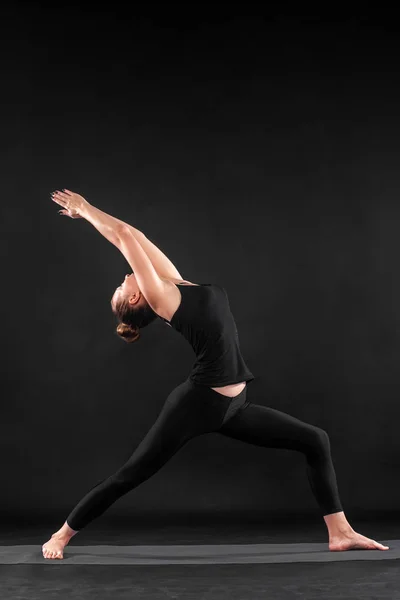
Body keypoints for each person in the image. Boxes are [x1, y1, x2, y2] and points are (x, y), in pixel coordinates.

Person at [42, 189, 389, 559]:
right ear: (134, 299)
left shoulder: (176, 285)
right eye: (120, 287)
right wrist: (87, 209)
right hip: (198, 403)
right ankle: (61, 535)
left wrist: (90, 217)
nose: (123, 278)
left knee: (315, 440)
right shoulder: (162, 297)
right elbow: (125, 236)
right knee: (131, 474)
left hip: (235, 405)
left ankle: (340, 532)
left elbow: (135, 237)